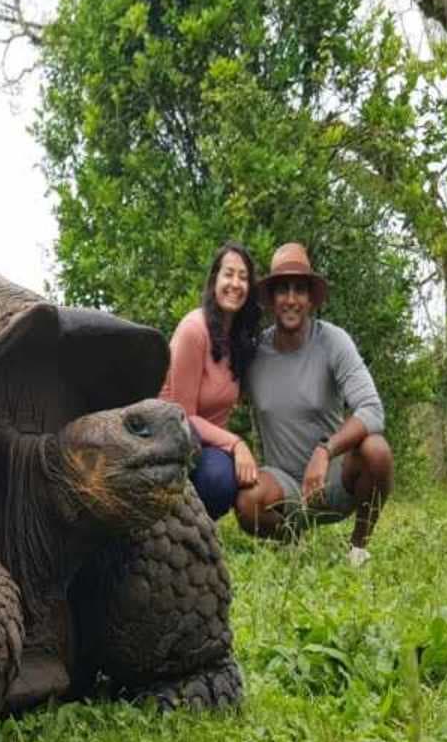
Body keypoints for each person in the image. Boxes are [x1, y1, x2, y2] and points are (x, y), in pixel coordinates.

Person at [234, 242, 394, 566]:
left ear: (310, 299)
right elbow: (220, 397)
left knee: (376, 450)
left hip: (332, 480)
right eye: (282, 290)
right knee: (248, 502)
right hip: (284, 482)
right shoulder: (255, 354)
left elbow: (372, 409)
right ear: (272, 299)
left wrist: (325, 450)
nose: (291, 299)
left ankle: (358, 552)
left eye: (300, 290)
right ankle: (291, 540)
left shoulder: (333, 341)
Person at [160, 241, 262, 519]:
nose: (235, 283)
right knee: (218, 480)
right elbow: (183, 415)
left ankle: (198, 530)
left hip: (207, 443)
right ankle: (175, 522)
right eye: (229, 274)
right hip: (171, 436)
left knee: (226, 478)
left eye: (243, 277)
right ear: (214, 279)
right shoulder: (194, 330)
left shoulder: (240, 340)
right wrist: (236, 444)